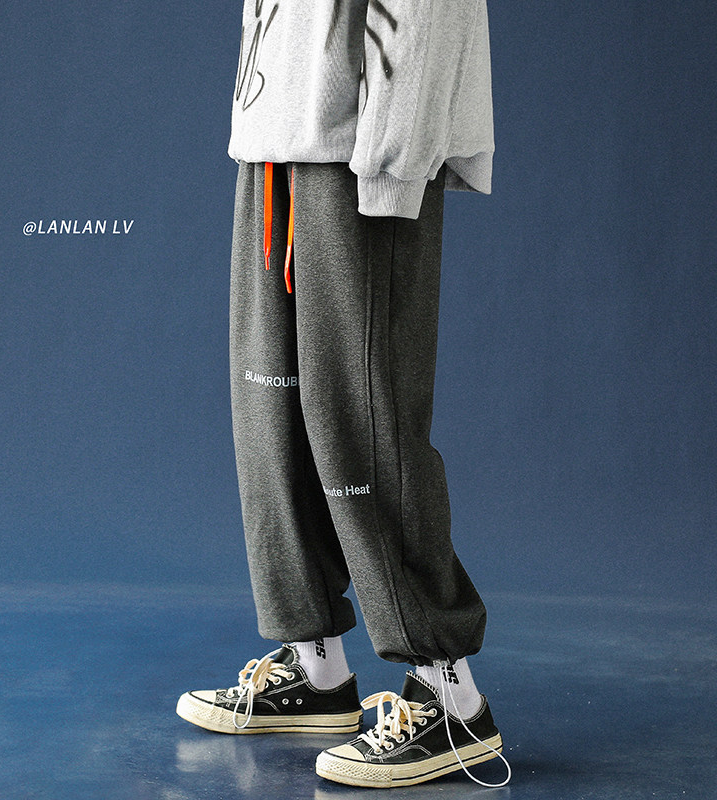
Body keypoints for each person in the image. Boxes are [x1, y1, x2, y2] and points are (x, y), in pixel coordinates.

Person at [177, 0, 511, 788]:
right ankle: (316, 666)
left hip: (363, 146)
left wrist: (395, 156)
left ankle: (452, 699)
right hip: (276, 136)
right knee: (273, 415)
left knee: (362, 423)